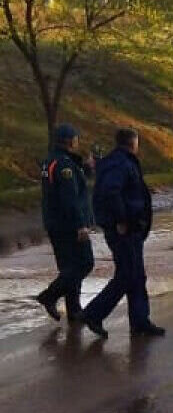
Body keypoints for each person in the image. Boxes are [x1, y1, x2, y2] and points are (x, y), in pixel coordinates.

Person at [80, 128, 164, 339]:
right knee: (127, 275)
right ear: (133, 143)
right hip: (123, 230)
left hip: (131, 228)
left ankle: (140, 322)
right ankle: (93, 313)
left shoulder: (118, 161)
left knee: (136, 275)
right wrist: (121, 220)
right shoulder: (120, 163)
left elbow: (125, 191)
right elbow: (111, 192)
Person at [35, 124, 95, 323]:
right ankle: (49, 296)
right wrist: (80, 225)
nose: (78, 142)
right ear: (70, 141)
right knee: (84, 263)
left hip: (55, 223)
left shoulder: (52, 161)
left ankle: (74, 310)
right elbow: (69, 198)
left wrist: (85, 169)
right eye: (76, 139)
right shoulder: (65, 165)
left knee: (69, 267)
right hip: (68, 225)